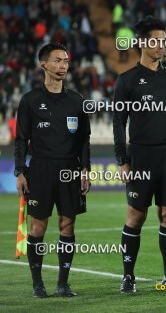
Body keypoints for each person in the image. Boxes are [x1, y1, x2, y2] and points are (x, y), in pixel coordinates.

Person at [113, 16, 166, 293]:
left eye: (164, 41)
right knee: (136, 216)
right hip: (141, 156)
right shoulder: (127, 81)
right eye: (155, 41)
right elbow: (118, 123)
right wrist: (122, 160)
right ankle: (128, 276)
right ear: (141, 43)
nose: (161, 46)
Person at [14, 42, 91, 298]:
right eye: (57, 60)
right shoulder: (30, 100)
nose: (63, 66)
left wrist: (85, 170)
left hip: (70, 168)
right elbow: (21, 139)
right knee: (38, 227)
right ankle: (38, 284)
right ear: (43, 64)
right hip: (41, 169)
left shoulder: (77, 101)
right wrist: (20, 171)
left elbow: (83, 141)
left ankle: (63, 284)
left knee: (67, 226)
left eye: (66, 61)